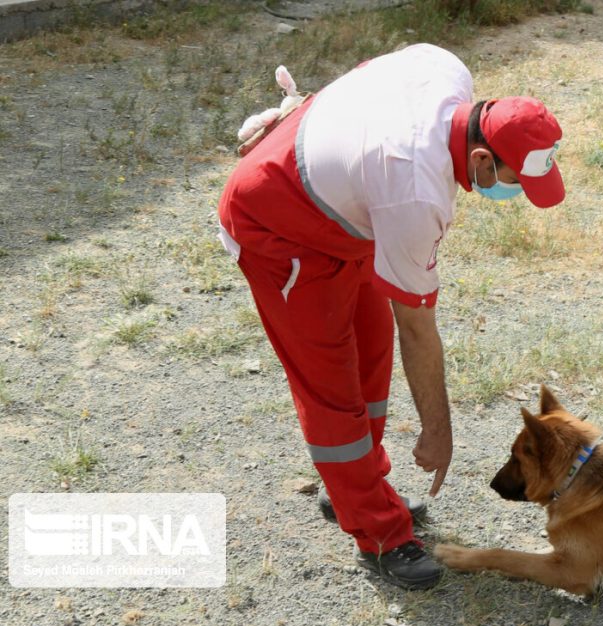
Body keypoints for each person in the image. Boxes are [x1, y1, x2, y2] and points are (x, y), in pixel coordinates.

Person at [216, 43, 565, 590]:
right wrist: (438, 433)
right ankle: (379, 533)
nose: (515, 193)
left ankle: (359, 488)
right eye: (515, 181)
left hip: (345, 215)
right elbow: (418, 329)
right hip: (276, 224)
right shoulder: (415, 193)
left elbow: (360, 78)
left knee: (370, 355)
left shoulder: (445, 67)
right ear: (480, 160)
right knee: (331, 385)